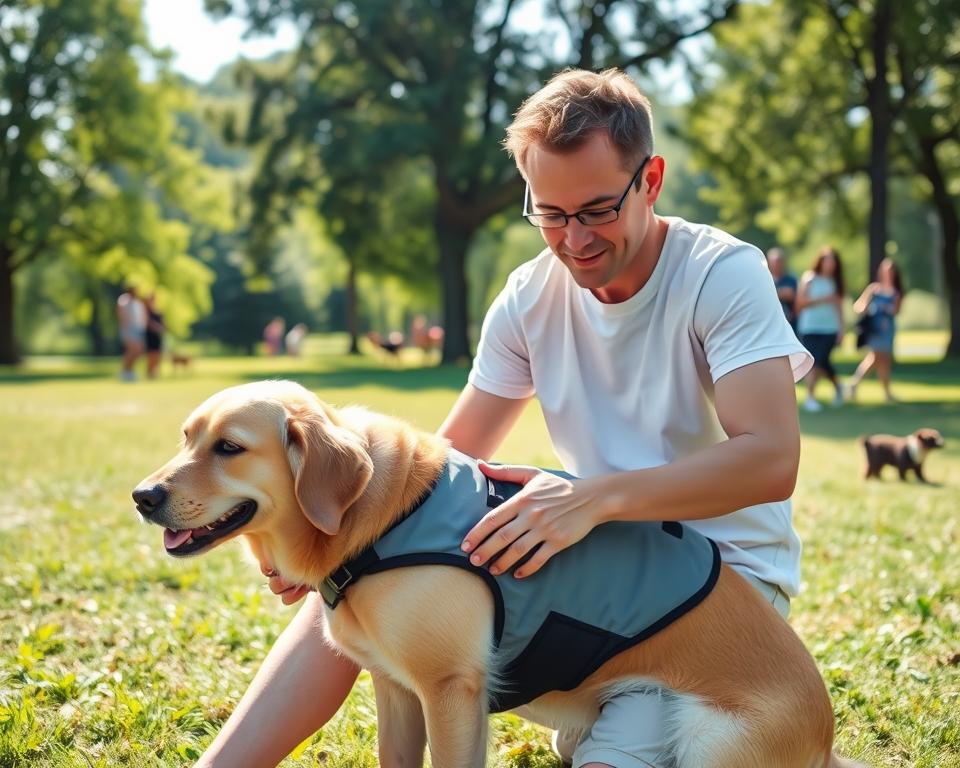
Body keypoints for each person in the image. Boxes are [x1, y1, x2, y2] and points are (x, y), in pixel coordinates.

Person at [196, 68, 813, 768]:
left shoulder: (719, 273)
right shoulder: (529, 297)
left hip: (722, 590)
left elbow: (770, 458)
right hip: (591, 570)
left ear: (651, 179)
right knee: (369, 566)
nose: (574, 238)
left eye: (598, 209)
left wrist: (596, 499)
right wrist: (326, 532)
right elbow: (425, 484)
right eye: (549, 212)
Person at [846, 258, 903, 402]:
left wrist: (887, 309)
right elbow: (858, 306)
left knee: (884, 361)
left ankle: (886, 392)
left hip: (887, 329)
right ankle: (855, 383)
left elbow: (896, 310)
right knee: (875, 357)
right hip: (874, 329)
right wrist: (867, 307)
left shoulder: (896, 292)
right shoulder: (874, 289)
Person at [795, 246, 846, 412]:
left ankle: (835, 388)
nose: (829, 264)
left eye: (832, 261)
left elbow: (839, 308)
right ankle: (813, 396)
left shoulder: (835, 282)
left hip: (829, 328)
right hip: (810, 327)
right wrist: (823, 299)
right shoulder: (809, 278)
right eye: (827, 260)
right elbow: (801, 303)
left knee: (821, 361)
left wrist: (841, 329)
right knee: (814, 362)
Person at [116, 285, 146, 381]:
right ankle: (124, 372)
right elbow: (121, 314)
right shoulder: (124, 300)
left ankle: (130, 370)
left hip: (138, 329)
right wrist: (125, 329)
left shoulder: (137, 302)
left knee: (138, 351)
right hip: (128, 329)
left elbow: (142, 315)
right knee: (132, 350)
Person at [766, 246, 798, 332]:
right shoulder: (765, 279)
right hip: (770, 324)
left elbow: (796, 298)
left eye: (779, 261)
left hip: (790, 324)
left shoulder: (791, 280)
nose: (777, 264)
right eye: (775, 261)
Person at [144, 292, 166, 379]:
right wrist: (157, 327)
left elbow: (163, 323)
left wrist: (162, 328)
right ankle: (149, 373)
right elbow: (148, 323)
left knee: (158, 354)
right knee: (151, 355)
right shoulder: (147, 312)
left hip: (158, 336)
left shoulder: (158, 311)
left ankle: (155, 373)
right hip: (150, 335)